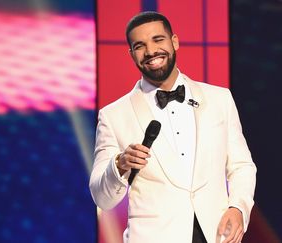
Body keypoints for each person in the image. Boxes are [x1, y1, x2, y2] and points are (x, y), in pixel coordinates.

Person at [89, 11, 257, 243]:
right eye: (140, 46)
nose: (150, 51)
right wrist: (119, 164)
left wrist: (238, 208)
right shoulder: (113, 115)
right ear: (131, 54)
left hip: (216, 235)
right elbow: (101, 197)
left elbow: (242, 166)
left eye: (158, 40)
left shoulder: (219, 99)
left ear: (174, 41)